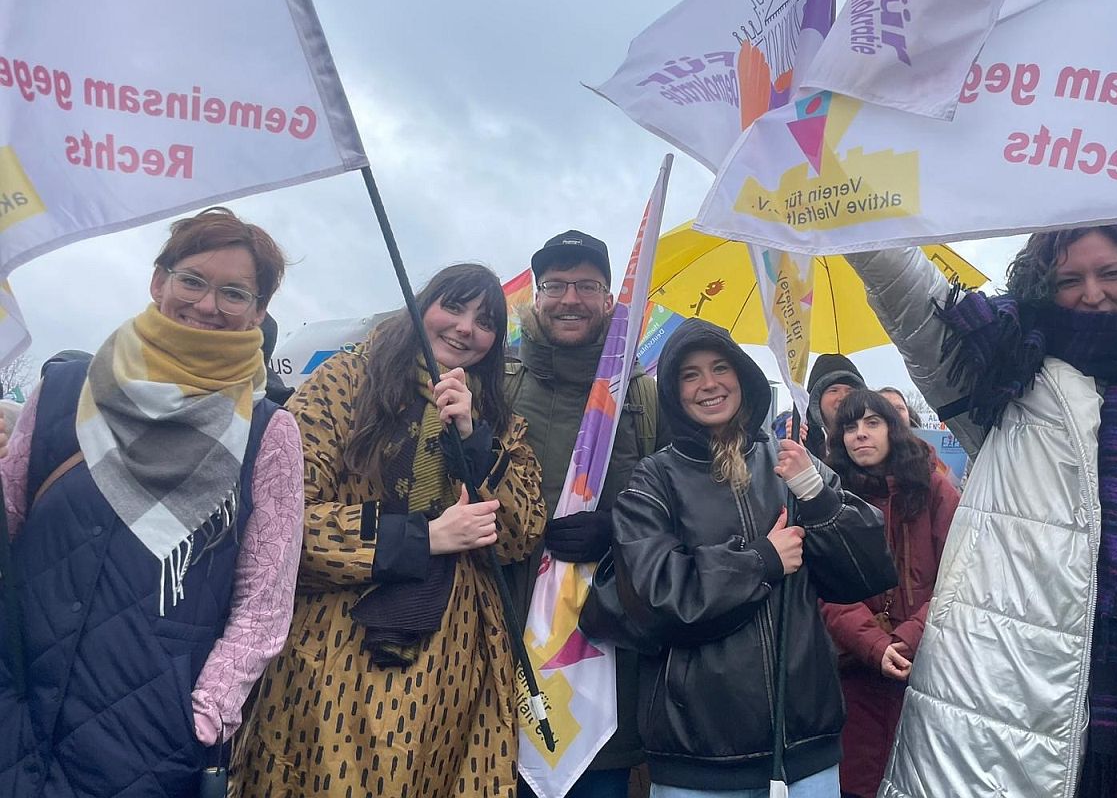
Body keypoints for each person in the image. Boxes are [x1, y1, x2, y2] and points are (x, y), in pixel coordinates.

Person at [847, 224, 1117, 798]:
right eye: (1069, 279)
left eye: (1111, 273)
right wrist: (852, 211)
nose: (1092, 293)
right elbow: (914, 300)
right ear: (1043, 289)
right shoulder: (1009, 383)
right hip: (1022, 709)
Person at [0, 207, 303, 797]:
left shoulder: (268, 433)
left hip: (146, 732)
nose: (208, 304)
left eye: (234, 292)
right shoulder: (65, 389)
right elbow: (9, 522)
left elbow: (265, 601)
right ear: (158, 280)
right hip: (15, 688)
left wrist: (206, 712)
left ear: (258, 311)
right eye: (192, 279)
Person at [231, 262, 547, 798]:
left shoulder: (498, 417)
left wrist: (474, 441)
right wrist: (423, 538)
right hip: (338, 649)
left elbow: (520, 534)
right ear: (421, 307)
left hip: (458, 661)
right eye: (454, 306)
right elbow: (282, 523)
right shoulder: (344, 381)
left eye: (486, 320)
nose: (467, 328)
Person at [593, 318, 896, 798]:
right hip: (698, 757)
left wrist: (816, 496)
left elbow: (868, 572)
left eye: (720, 367)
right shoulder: (653, 481)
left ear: (744, 376)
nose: (709, 384)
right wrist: (761, 561)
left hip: (806, 749)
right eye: (690, 374)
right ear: (672, 390)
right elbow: (653, 598)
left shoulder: (793, 462)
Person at [504, 230, 660, 798]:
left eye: (587, 286)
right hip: (503, 641)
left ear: (609, 297)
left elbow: (677, 512)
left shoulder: (643, 395)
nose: (571, 299)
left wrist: (616, 531)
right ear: (537, 296)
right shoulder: (499, 385)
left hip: (605, 650)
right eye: (557, 285)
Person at [819, 390, 959, 798]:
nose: (860, 434)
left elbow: (958, 575)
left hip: (928, 667)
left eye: (871, 423)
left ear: (892, 429)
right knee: (858, 783)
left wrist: (905, 639)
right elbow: (827, 587)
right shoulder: (831, 497)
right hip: (854, 671)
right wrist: (874, 645)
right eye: (850, 426)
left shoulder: (934, 489)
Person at [803, 353, 866, 461]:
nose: (842, 397)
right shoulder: (804, 443)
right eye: (834, 390)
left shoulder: (872, 439)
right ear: (816, 401)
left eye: (850, 391)